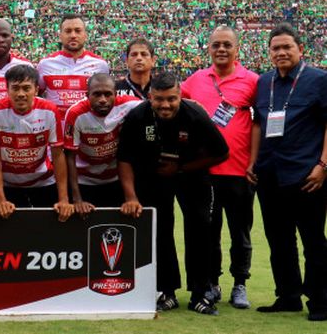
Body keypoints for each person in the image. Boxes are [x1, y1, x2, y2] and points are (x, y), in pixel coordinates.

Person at [118, 72, 229, 315]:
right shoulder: (138, 116)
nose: (165, 105)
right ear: (150, 97)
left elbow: (221, 152)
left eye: (171, 99)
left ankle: (201, 294)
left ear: (180, 96)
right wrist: (131, 196)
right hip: (155, 178)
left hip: (193, 178)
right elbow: (124, 157)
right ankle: (166, 292)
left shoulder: (195, 115)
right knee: (160, 232)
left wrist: (180, 168)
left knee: (199, 230)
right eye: (159, 99)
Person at [248, 24, 327, 321]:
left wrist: (323, 166)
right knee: (279, 240)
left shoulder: (319, 80)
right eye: (275, 48)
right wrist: (253, 162)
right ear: (269, 52)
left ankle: (320, 301)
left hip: (307, 175)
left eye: (286, 47)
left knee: (313, 241)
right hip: (270, 174)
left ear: (300, 50)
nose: (281, 53)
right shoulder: (264, 81)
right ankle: (288, 295)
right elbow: (258, 123)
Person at [181, 26, 259, 309]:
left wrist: (254, 160)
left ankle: (240, 284)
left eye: (227, 45)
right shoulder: (196, 79)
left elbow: (260, 123)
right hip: (206, 173)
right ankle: (212, 283)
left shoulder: (252, 81)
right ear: (209, 49)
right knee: (209, 234)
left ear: (237, 49)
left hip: (240, 172)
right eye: (216, 45)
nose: (221, 49)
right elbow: (176, 107)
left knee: (241, 233)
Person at [0, 65, 73, 222]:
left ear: (37, 89)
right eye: (15, 88)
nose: (21, 94)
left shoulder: (49, 110)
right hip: (7, 183)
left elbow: (58, 154)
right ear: (7, 89)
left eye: (26, 88)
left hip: (43, 181)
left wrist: (64, 199)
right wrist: (0, 199)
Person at [64, 74, 141, 213]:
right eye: (97, 94)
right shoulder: (75, 114)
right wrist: (77, 200)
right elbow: (70, 156)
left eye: (107, 94)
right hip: (84, 180)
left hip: (116, 179)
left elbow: (154, 105)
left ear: (116, 94)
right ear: (87, 95)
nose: (103, 100)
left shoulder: (130, 104)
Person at [37, 14, 109, 118]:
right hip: (56, 131)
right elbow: (35, 95)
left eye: (78, 30)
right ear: (60, 36)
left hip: (87, 130)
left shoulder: (101, 65)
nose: (73, 35)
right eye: (68, 31)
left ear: (85, 35)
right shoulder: (45, 64)